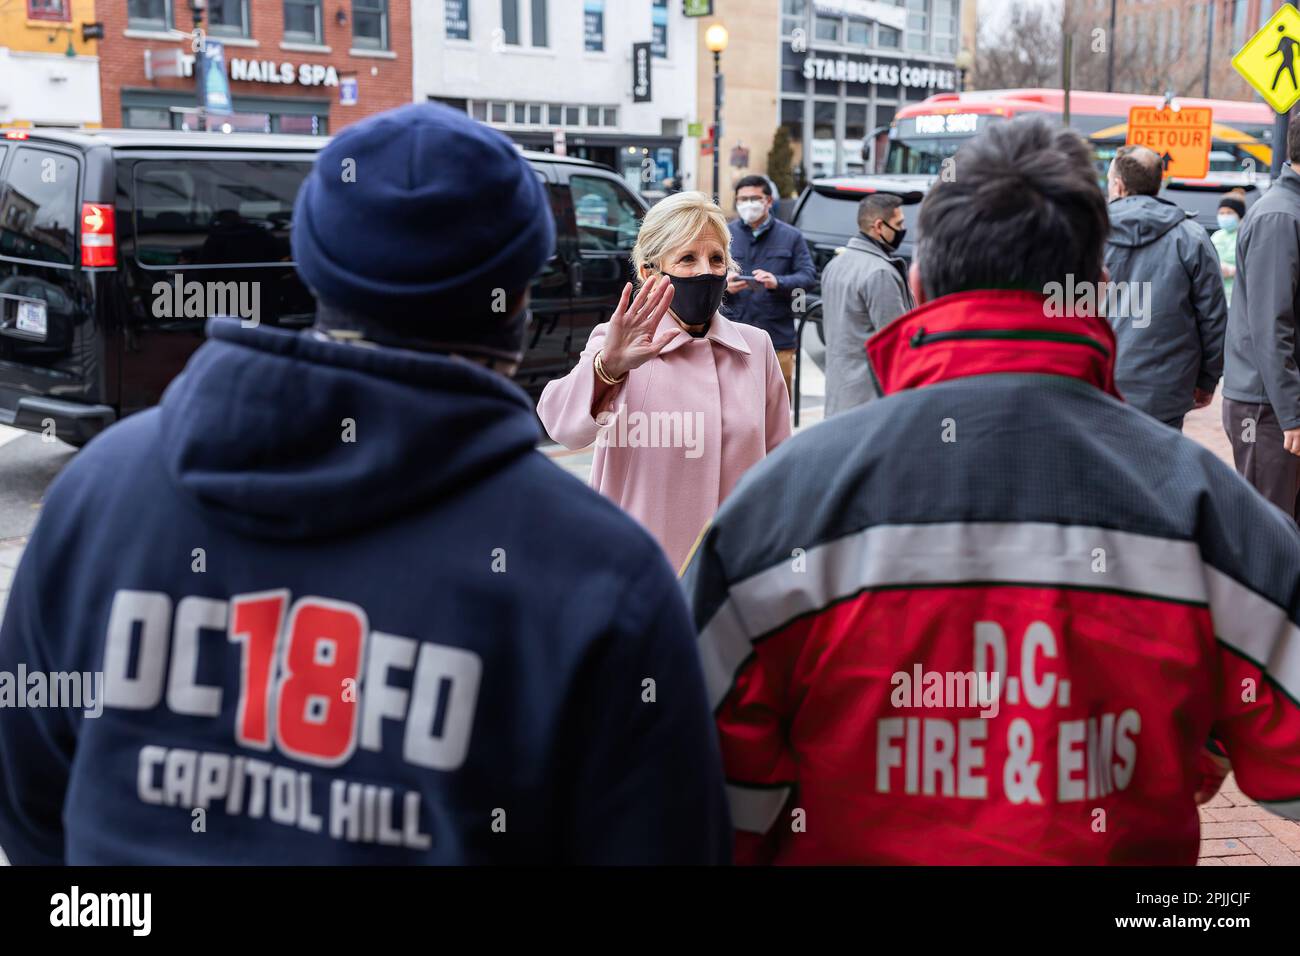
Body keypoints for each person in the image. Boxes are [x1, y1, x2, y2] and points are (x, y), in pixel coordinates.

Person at [0, 103, 730, 865]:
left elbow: (34, 816)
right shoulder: (599, 574)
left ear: (312, 269)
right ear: (516, 302)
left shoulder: (98, 496)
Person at [682, 115, 1300, 865]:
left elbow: (693, 792)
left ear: (916, 285)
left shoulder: (778, 508)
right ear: (1094, 293)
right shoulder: (1209, 509)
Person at [538, 191, 790, 573]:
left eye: (716, 258)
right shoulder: (617, 344)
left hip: (735, 576)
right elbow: (564, 428)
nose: (705, 270)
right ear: (649, 273)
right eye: (687, 258)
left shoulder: (756, 347)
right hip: (638, 576)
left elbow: (779, 466)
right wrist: (609, 366)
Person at [1103, 144, 1227, 431]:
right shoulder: (1192, 237)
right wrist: (1207, 380)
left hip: (1099, 383)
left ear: (1119, 186)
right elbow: (1214, 318)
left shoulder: (1086, 232)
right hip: (1165, 391)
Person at [1223, 107, 1300, 523]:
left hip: (1276, 405)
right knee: (1270, 535)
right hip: (1267, 409)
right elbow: (1273, 327)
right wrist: (1293, 414)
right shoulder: (1280, 217)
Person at [722, 174, 818, 399]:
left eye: (754, 198)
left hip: (777, 336)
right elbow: (706, 272)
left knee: (778, 402)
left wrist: (777, 282)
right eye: (742, 199)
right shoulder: (726, 234)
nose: (747, 204)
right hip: (734, 333)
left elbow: (807, 277)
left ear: (768, 201)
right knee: (735, 403)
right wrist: (723, 284)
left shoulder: (791, 236)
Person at [820, 192, 915, 417]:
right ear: (879, 226)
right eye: (899, 224)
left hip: (839, 394)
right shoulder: (880, 272)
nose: (903, 229)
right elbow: (896, 345)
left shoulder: (835, 265)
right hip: (871, 399)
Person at [1211, 191, 1245, 306]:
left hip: (1238, 298)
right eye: (1221, 213)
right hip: (1218, 296)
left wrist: (1232, 270)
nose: (1224, 216)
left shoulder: (1245, 235)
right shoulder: (1216, 236)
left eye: (1229, 213)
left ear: (1239, 214)